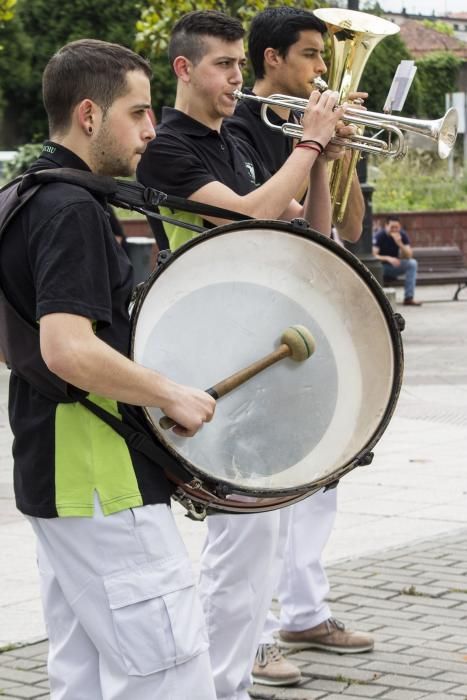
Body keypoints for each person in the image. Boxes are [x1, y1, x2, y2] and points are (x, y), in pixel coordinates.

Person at [136, 10, 360, 700]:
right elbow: (245, 219)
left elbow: (315, 237)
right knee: (238, 552)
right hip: (214, 356)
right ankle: (219, 684)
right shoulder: (171, 148)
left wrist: (325, 159)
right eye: (223, 66)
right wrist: (307, 145)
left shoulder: (231, 143)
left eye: (240, 65)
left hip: (260, 348)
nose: (238, 78)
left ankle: (230, 676)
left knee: (263, 539)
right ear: (183, 69)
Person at [0, 39, 218, 699]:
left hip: (54, 477)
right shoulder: (71, 210)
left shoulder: (19, 197)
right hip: (104, 482)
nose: (152, 131)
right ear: (89, 115)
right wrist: (170, 394)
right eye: (139, 113)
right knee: (169, 677)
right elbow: (68, 347)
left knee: (84, 677)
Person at [224, 6, 374, 688]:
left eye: (324, 55)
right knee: (259, 491)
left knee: (319, 478)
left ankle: (305, 611)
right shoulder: (237, 128)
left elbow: (341, 222)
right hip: (256, 320)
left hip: (313, 310)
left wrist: (335, 158)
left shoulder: (307, 129)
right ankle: (250, 639)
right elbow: (264, 214)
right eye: (312, 56)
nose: (322, 69)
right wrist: (309, 147)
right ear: (270, 61)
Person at [373, 215, 422, 306]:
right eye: (392, 227)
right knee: (379, 267)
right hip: (380, 268)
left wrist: (400, 244)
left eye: (397, 227)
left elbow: (409, 255)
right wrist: (388, 258)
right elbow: (373, 255)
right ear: (386, 226)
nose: (394, 230)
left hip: (394, 267)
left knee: (412, 263)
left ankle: (408, 298)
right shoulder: (380, 235)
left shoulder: (402, 235)